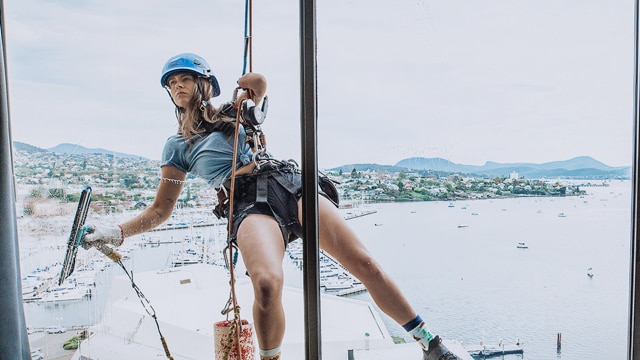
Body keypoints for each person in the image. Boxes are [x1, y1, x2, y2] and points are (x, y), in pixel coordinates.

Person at [82, 52, 461, 360]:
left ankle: (429, 342)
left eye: (184, 79)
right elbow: (160, 210)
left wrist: (250, 85)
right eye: (172, 83)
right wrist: (115, 232)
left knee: (364, 264)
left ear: (203, 85)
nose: (177, 86)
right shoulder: (176, 147)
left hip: (285, 183)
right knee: (265, 284)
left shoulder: (233, 112)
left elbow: (259, 86)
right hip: (246, 202)